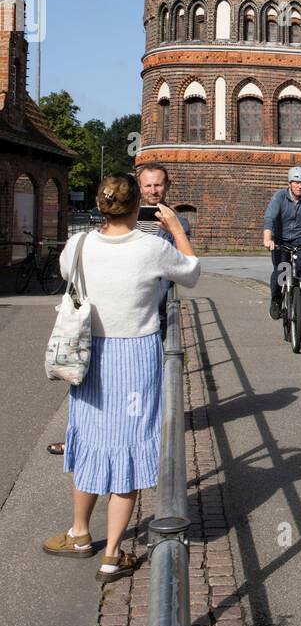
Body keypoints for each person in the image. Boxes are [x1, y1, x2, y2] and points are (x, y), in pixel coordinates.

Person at [42, 173, 200, 581]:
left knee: (90, 437)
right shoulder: (151, 248)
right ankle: (112, 554)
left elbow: (67, 273)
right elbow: (192, 272)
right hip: (135, 358)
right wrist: (177, 229)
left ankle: (79, 532)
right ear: (137, 208)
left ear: (100, 204)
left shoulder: (78, 245)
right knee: (128, 447)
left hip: (90, 356)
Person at [136, 162, 193, 338]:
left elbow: (183, 266)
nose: (153, 191)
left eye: (158, 185)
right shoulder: (126, 219)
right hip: (126, 305)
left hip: (155, 311)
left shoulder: (179, 223)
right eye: (148, 185)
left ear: (167, 185)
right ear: (140, 187)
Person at [263, 167, 301, 320]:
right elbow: (269, 218)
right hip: (280, 241)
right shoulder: (280, 196)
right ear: (290, 183)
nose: (300, 186)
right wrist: (267, 239)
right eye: (296, 182)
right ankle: (276, 301)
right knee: (281, 271)